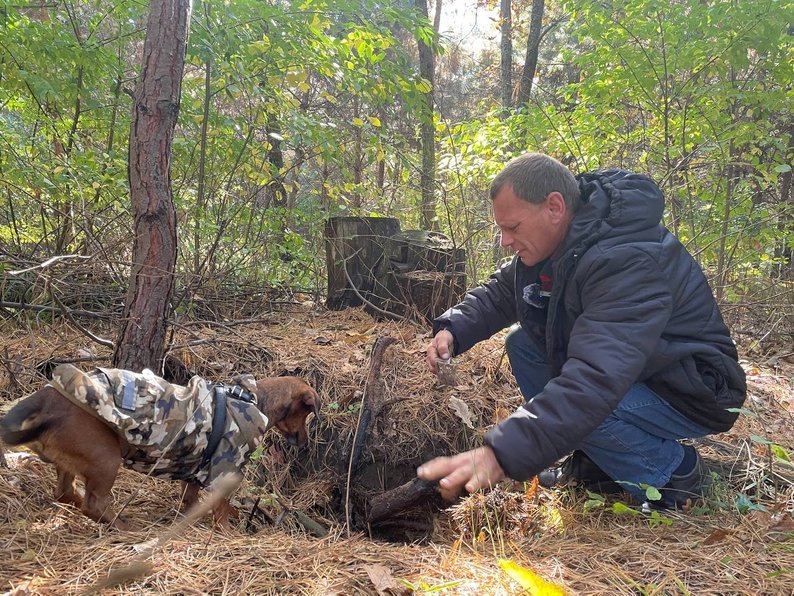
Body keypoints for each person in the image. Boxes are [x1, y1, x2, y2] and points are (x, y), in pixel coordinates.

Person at [417, 153, 747, 510]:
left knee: (586, 407)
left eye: (512, 227)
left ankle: (675, 475)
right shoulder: (559, 244)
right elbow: (503, 292)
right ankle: (604, 465)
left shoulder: (626, 259)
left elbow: (594, 382)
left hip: (693, 385)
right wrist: (453, 327)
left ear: (554, 207)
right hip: (647, 370)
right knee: (524, 345)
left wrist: (500, 454)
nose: (504, 241)